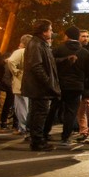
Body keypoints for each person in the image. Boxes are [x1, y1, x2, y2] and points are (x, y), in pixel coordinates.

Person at [21, 20, 60, 151]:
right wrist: (48, 82)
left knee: (37, 113)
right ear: (44, 32)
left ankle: (37, 140)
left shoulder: (40, 44)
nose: (52, 32)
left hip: (38, 87)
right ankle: (38, 141)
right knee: (40, 113)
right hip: (39, 87)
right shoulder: (36, 44)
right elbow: (36, 66)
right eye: (50, 29)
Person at [49, 26, 89, 146]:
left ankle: (45, 132)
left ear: (66, 36)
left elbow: (51, 64)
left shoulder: (58, 49)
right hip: (76, 86)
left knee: (53, 109)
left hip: (60, 85)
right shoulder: (85, 53)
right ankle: (65, 137)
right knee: (71, 112)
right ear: (78, 37)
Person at [6, 34, 31, 136]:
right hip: (31, 82)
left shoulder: (20, 52)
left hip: (20, 82)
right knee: (27, 105)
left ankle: (23, 127)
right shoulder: (33, 51)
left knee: (20, 106)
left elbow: (11, 61)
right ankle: (27, 126)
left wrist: (16, 72)